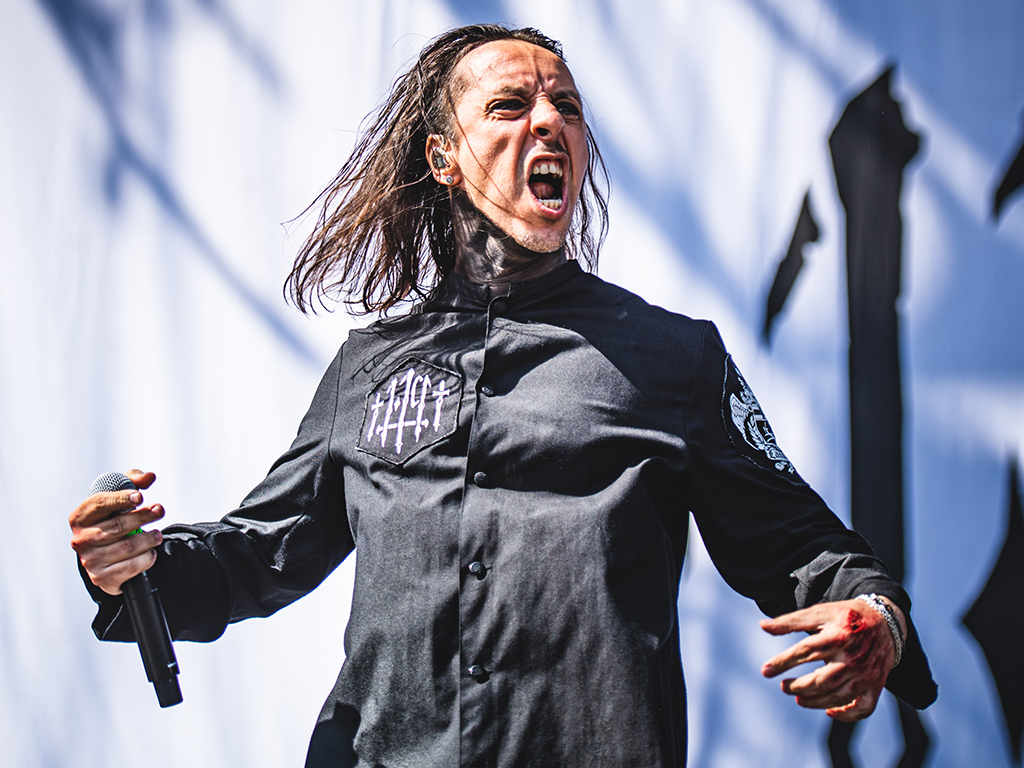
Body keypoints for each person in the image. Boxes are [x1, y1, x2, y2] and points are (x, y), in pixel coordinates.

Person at [69, 24, 936, 768]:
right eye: (511, 106)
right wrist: (130, 570)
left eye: (567, 107)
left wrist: (879, 621)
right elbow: (255, 558)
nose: (550, 122)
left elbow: (806, 548)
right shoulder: (369, 364)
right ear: (444, 158)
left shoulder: (673, 357)